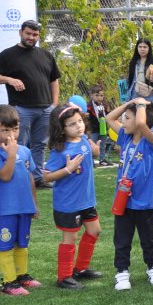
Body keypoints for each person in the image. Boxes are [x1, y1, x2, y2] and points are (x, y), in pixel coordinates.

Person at [0, 19, 61, 188]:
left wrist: (54, 105)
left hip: (46, 108)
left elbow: (54, 80)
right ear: (21, 32)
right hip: (21, 108)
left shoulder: (45, 55)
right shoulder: (7, 55)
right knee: (17, 144)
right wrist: (9, 79)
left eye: (35, 34)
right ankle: (17, 178)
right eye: (28, 33)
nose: (31, 37)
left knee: (39, 145)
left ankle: (37, 178)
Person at [106, 98, 153, 292]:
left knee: (149, 238)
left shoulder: (152, 140)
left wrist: (140, 105)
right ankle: (122, 271)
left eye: (127, 118)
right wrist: (130, 102)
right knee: (122, 239)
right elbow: (109, 118)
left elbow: (140, 123)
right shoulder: (125, 137)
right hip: (123, 201)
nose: (123, 122)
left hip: (146, 203)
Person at [42, 104, 102, 290]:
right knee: (70, 238)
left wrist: (95, 149)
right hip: (68, 203)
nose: (78, 126)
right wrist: (68, 169)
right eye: (72, 124)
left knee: (94, 231)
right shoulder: (60, 150)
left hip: (87, 200)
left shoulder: (83, 138)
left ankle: (80, 269)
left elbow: (94, 153)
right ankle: (64, 277)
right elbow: (46, 177)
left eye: (79, 121)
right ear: (62, 129)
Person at [0, 105, 41, 296]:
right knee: (6, 244)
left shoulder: (24, 151)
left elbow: (30, 178)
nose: (11, 134)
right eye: (5, 130)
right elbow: (5, 176)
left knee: (22, 243)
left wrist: (34, 203)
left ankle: (22, 275)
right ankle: (9, 282)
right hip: (6, 209)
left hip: (24, 206)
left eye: (15, 129)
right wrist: (11, 154)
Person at [126, 38, 153, 104]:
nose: (142, 49)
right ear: (137, 48)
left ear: (149, 48)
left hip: (150, 96)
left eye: (145, 47)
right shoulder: (133, 62)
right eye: (140, 47)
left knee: (149, 110)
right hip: (135, 95)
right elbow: (130, 81)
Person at [87, 84, 115, 166]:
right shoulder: (89, 106)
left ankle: (102, 159)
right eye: (97, 95)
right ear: (91, 95)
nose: (99, 98)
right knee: (92, 145)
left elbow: (108, 114)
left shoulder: (104, 105)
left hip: (103, 129)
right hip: (93, 130)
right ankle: (91, 161)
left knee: (102, 145)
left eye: (101, 95)